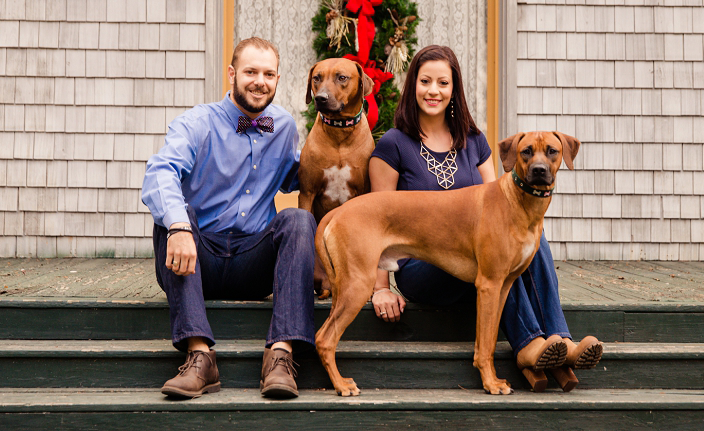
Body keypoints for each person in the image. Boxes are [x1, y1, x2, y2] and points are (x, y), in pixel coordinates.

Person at [368, 44, 602, 391]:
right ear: (412, 85)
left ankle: (559, 342)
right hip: (423, 264)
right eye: (425, 81)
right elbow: (378, 221)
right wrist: (380, 288)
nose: (434, 90)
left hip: (477, 254)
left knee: (524, 238)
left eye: (443, 83)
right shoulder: (393, 144)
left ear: (454, 89)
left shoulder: (473, 140)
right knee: (502, 255)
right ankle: (530, 345)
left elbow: (500, 208)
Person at [141, 37, 316, 400]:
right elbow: (160, 172)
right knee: (174, 212)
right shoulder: (197, 122)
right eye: (251, 72)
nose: (259, 81)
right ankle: (200, 357)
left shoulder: (282, 127)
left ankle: (281, 355)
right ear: (232, 74)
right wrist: (178, 226)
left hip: (252, 265)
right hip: (194, 260)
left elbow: (300, 176)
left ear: (278, 79)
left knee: (298, 219)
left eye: (268, 74)